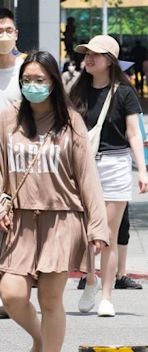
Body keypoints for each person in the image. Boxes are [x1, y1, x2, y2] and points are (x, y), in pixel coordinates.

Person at [0, 51, 108, 352]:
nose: (32, 86)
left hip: (62, 218)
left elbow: (87, 175)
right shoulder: (8, 118)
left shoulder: (71, 121)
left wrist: (98, 226)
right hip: (18, 221)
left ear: (54, 83)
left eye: (40, 80)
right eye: (27, 80)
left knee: (50, 298)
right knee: (12, 294)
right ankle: (39, 340)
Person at [70, 35, 148, 317]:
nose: (89, 58)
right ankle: (90, 278)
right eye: (87, 53)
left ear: (110, 61)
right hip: (84, 166)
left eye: (96, 54)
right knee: (87, 230)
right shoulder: (76, 90)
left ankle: (106, 296)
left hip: (116, 164)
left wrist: (141, 169)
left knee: (109, 235)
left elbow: (133, 134)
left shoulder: (125, 92)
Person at [0, 7, 23, 319]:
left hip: (18, 159)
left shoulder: (27, 71)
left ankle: (10, 292)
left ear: (17, 34)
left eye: (7, 30)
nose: (3, 36)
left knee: (12, 226)